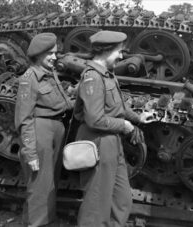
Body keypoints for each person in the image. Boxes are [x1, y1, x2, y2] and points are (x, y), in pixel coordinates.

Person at [73, 30, 150, 227]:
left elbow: (119, 107)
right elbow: (95, 119)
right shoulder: (93, 77)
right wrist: (124, 126)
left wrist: (138, 117)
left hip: (112, 140)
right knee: (96, 202)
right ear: (106, 51)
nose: (121, 56)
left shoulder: (108, 75)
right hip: (98, 140)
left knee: (121, 199)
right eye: (118, 52)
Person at [15, 33, 74, 227]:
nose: (54, 57)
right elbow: (24, 119)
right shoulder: (29, 78)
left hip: (55, 131)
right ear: (38, 54)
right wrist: (30, 153)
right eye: (50, 53)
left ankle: (42, 221)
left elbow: (62, 103)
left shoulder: (50, 73)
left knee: (49, 184)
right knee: (39, 185)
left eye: (55, 53)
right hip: (40, 132)